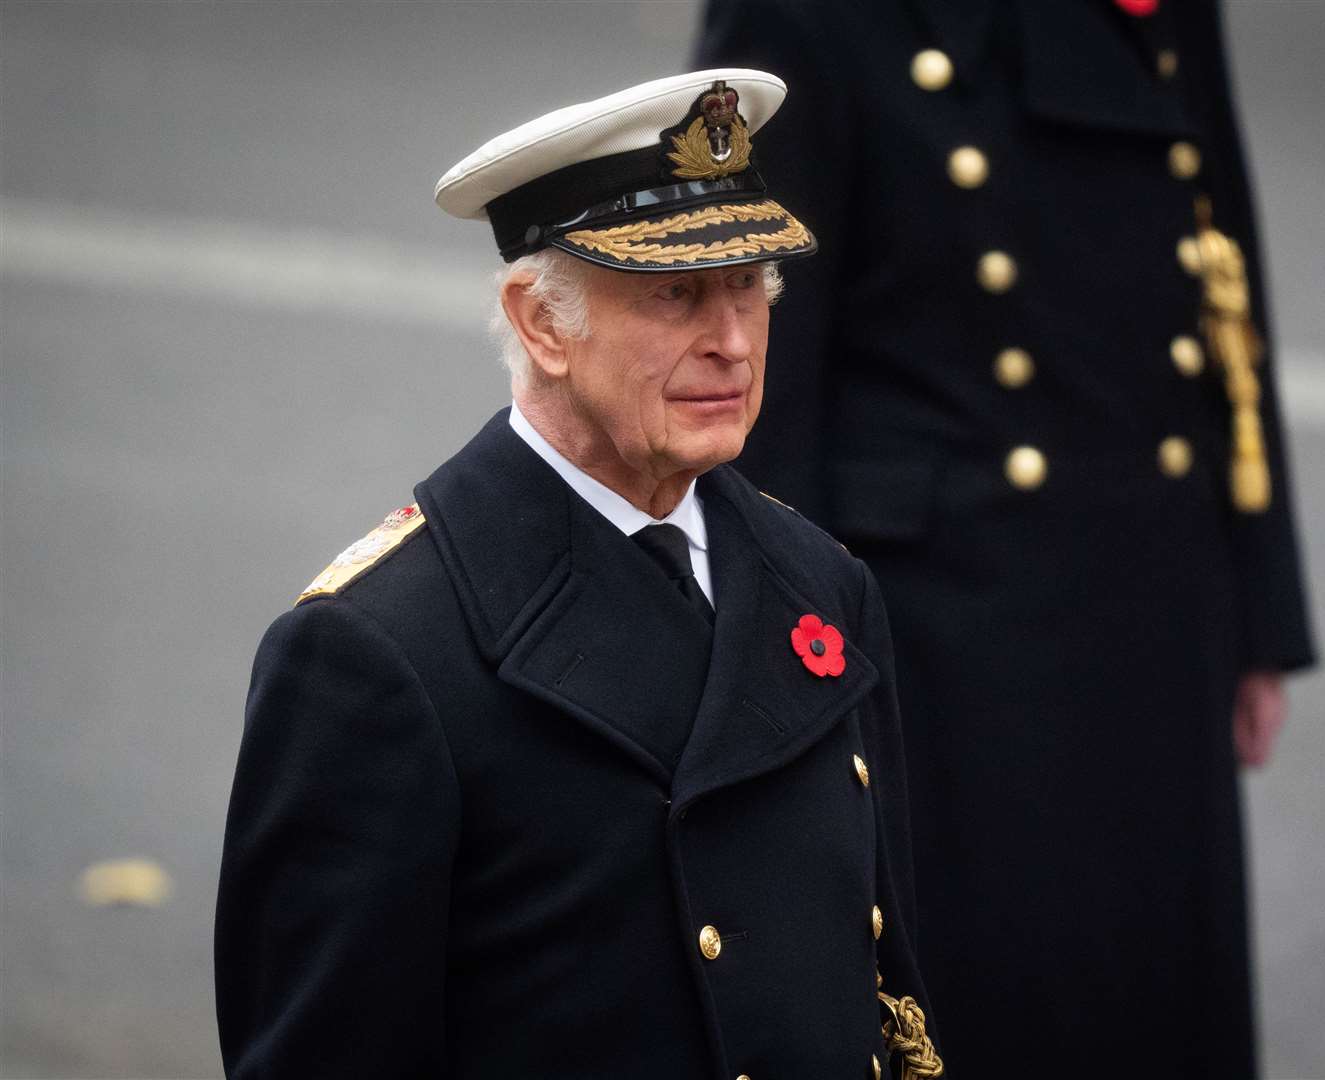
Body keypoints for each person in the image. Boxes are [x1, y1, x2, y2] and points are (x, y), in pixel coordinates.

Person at [214, 69, 942, 1080]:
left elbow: (889, 995)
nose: (731, 341)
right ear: (541, 323)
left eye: (748, 286)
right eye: (677, 294)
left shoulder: (823, 583)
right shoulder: (377, 652)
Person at [696, 1, 1317, 1075]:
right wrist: (773, 679)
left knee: (1159, 1002)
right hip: (937, 633)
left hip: (1160, 590)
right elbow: (754, 357)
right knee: (982, 1014)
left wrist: (1261, 603)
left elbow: (1219, 271)